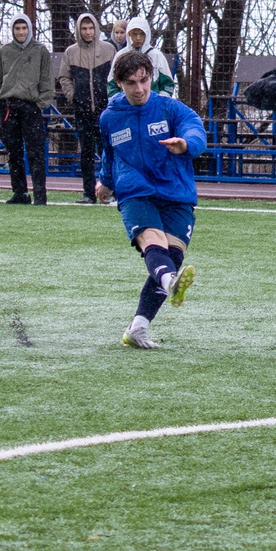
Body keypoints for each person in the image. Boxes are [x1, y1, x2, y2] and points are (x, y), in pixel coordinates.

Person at [100, 47, 205, 349]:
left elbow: (195, 128)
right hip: (135, 191)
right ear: (119, 83)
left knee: (172, 256)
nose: (140, 88)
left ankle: (138, 327)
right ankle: (171, 282)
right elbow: (109, 153)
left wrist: (186, 144)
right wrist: (106, 182)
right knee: (153, 241)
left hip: (175, 191)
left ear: (152, 78)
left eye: (144, 80)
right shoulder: (110, 118)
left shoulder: (170, 109)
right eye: (131, 83)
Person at [0, 16, 54, 205]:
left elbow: (47, 80)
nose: (21, 32)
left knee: (36, 152)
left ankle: (40, 195)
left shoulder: (40, 51)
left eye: (24, 28)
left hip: (31, 107)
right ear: (12, 30)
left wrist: (40, 104)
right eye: (17, 28)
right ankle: (19, 192)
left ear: (29, 29)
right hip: (9, 108)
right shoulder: (5, 51)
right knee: (14, 152)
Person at [59, 13, 117, 203]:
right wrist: (73, 96)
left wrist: (112, 98)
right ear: (78, 30)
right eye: (84, 28)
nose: (88, 32)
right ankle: (88, 193)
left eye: (91, 28)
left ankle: (110, 191)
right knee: (86, 152)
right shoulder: (71, 52)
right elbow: (64, 77)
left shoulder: (109, 50)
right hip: (82, 110)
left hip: (106, 111)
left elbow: (118, 76)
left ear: (96, 29)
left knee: (107, 151)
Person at [120, 19, 174, 96]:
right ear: (129, 34)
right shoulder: (121, 55)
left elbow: (168, 84)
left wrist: (159, 102)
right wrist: (119, 102)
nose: (138, 38)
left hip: (153, 104)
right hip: (127, 104)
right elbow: (112, 83)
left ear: (147, 34)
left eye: (141, 34)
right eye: (135, 34)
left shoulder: (156, 56)